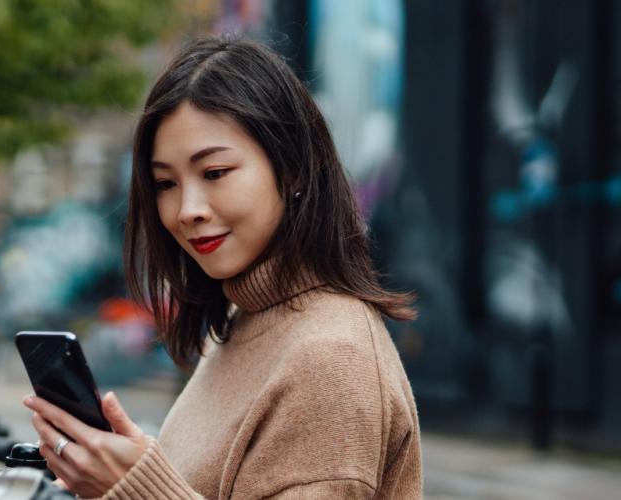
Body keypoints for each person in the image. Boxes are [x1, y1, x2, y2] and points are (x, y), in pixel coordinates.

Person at [22, 36, 423, 499]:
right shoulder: (245, 322)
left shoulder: (330, 356)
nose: (187, 209)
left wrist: (134, 489)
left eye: (214, 173)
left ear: (291, 169)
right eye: (165, 183)